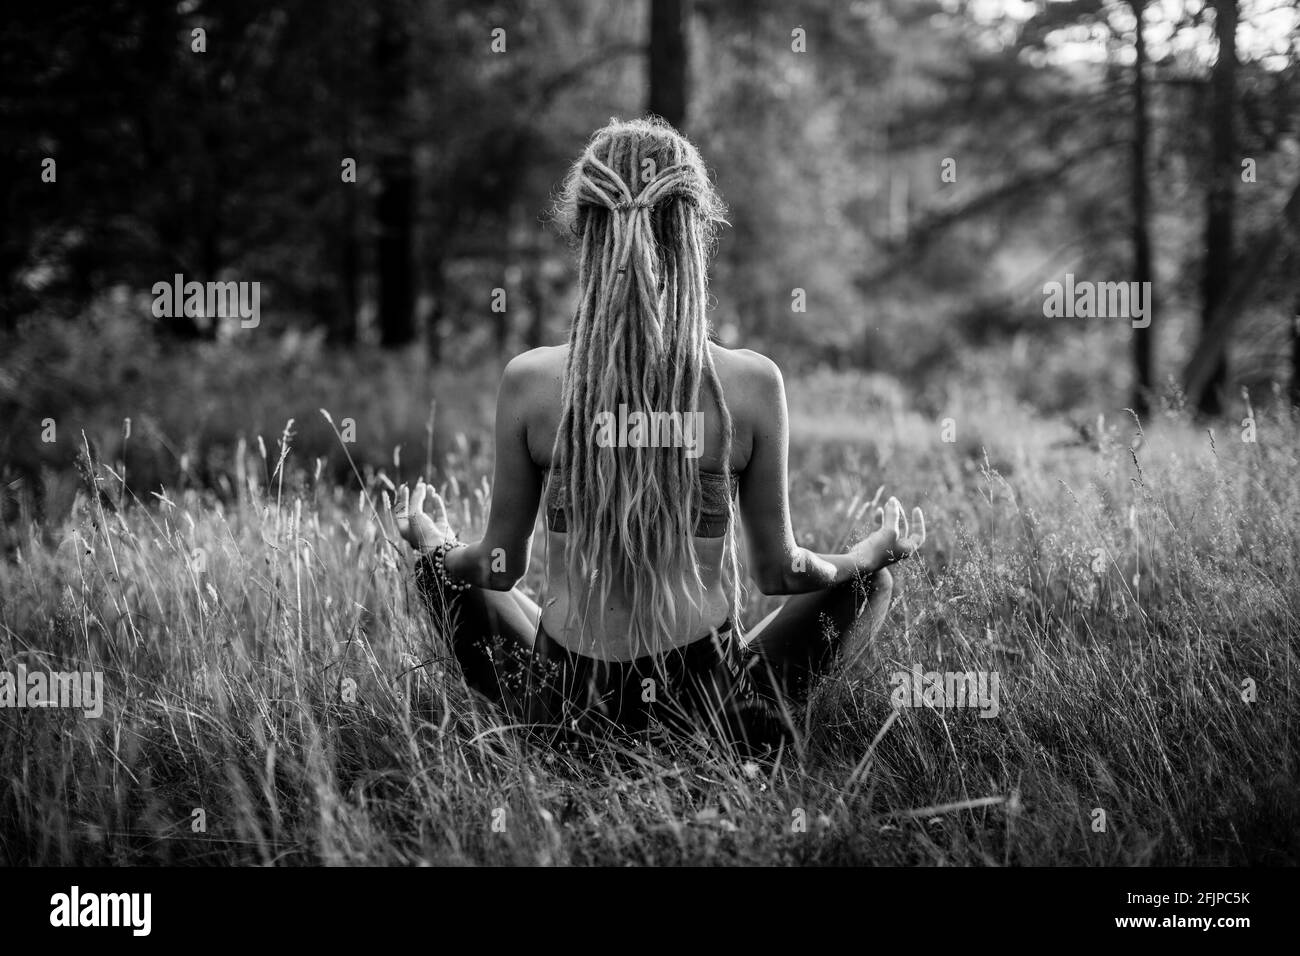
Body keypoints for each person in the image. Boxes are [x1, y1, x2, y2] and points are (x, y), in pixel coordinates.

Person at [392, 116, 925, 754]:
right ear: (694, 231)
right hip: (703, 704)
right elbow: (782, 573)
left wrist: (435, 543)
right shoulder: (749, 383)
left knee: (438, 573)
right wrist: (873, 552)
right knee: (870, 584)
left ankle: (557, 745)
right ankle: (744, 742)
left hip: (569, 703)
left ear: (587, 231)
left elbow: (498, 568)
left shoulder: (530, 380)